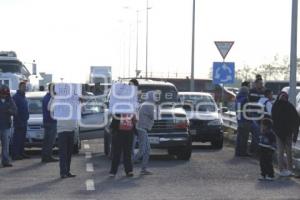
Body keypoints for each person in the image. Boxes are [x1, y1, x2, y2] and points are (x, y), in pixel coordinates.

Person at [109, 80, 138, 177]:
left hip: (128, 129)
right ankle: (113, 171)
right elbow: (112, 112)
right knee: (117, 151)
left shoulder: (132, 99)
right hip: (118, 129)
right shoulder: (117, 98)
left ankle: (128, 170)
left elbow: (135, 114)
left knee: (127, 151)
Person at [272, 91, 300, 177]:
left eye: (285, 97)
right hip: (278, 133)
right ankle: (281, 169)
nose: (283, 98)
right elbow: (273, 118)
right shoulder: (276, 106)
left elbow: (296, 119)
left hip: (288, 133)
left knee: (289, 152)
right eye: (282, 96)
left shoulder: (289, 106)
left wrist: (294, 132)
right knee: (280, 152)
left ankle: (290, 169)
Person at [134, 91, 156, 175]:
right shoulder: (149, 105)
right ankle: (128, 163)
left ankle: (143, 168)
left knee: (147, 150)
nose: (155, 98)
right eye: (154, 96)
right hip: (142, 129)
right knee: (143, 150)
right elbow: (153, 116)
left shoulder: (145, 104)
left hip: (141, 128)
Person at [12, 82, 30, 160]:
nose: (25, 88)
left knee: (22, 139)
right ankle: (15, 155)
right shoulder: (16, 97)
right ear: (19, 87)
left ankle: (21, 153)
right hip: (18, 122)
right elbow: (14, 110)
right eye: (23, 87)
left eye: (25, 87)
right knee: (17, 139)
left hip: (24, 121)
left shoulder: (24, 97)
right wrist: (18, 120)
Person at [0, 85, 17, 167]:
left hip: (6, 126)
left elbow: (15, 110)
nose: (4, 95)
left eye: (5, 94)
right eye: (2, 93)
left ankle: (5, 161)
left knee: (5, 145)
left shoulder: (10, 100)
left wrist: (9, 111)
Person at [41, 83, 58, 163]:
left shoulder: (46, 97)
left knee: (47, 141)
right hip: (50, 121)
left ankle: (45, 156)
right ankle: (47, 156)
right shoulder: (49, 98)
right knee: (50, 141)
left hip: (47, 121)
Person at [248, 76, 265, 155]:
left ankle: (257, 149)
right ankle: (254, 150)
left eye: (262, 83)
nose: (261, 85)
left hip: (261, 114)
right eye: (260, 83)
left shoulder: (263, 92)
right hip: (253, 114)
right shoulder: (251, 91)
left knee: (261, 132)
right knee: (256, 131)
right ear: (256, 84)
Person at [235, 86, 251, 157]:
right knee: (244, 137)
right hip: (245, 120)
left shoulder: (237, 99)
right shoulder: (245, 99)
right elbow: (247, 111)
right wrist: (249, 118)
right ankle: (243, 152)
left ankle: (238, 152)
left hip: (239, 120)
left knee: (239, 137)